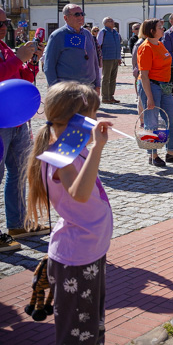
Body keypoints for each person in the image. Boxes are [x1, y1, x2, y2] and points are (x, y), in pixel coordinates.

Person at [25, 82, 113, 345]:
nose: (97, 121)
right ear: (78, 120)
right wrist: (97, 148)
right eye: (93, 116)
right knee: (77, 335)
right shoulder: (60, 152)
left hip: (90, 251)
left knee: (92, 327)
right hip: (76, 260)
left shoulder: (70, 143)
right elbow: (80, 193)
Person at [0, 7, 47, 253]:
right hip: (0, 122)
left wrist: (33, 61)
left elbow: (24, 79)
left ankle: (17, 224)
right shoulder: (10, 52)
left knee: (18, 172)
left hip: (17, 120)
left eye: (5, 22)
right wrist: (18, 58)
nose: (4, 27)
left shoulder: (5, 48)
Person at [137, 18, 173, 167]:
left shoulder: (160, 44)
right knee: (152, 121)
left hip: (165, 86)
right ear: (151, 31)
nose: (163, 29)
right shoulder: (146, 48)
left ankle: (171, 152)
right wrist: (149, 97)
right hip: (151, 86)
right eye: (160, 27)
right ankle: (152, 155)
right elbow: (144, 75)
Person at [44, 4, 100, 89]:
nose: (81, 17)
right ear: (66, 18)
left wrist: (97, 84)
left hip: (89, 87)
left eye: (82, 14)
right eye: (77, 14)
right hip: (67, 88)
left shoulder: (87, 34)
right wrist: (54, 89)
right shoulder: (57, 36)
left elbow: (94, 60)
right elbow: (49, 65)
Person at [96, 17, 122, 104]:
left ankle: (111, 96)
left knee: (113, 78)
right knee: (106, 78)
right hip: (106, 58)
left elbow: (118, 46)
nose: (113, 22)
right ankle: (105, 97)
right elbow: (98, 46)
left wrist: (119, 58)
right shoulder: (103, 32)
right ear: (105, 23)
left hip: (115, 58)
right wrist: (99, 58)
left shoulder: (116, 33)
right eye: (110, 21)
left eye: (112, 21)